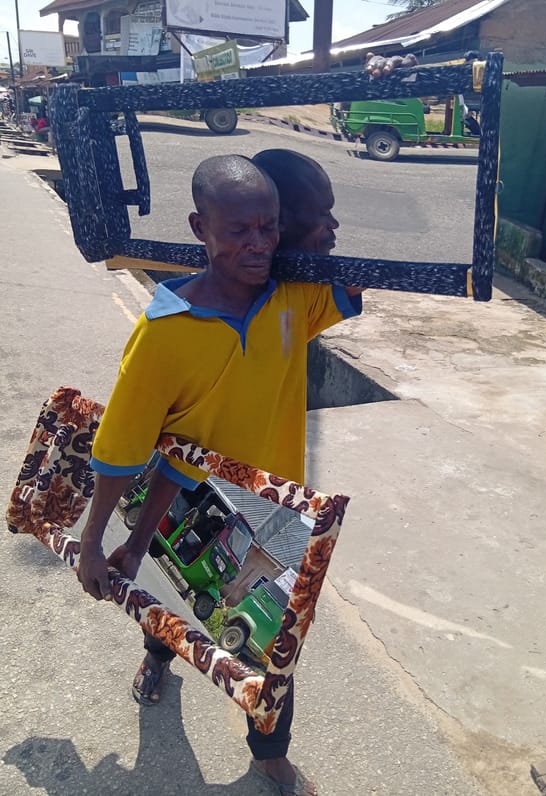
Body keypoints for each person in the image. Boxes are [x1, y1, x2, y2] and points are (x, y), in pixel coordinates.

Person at [77, 150, 363, 796]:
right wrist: (96, 542)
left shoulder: (294, 298)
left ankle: (270, 755)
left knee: (274, 650)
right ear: (199, 228)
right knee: (181, 599)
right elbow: (120, 449)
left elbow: (355, 280)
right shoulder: (165, 333)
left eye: (270, 227)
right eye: (238, 231)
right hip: (193, 498)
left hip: (278, 517)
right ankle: (157, 658)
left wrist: (319, 231)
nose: (257, 244)